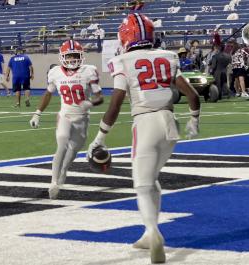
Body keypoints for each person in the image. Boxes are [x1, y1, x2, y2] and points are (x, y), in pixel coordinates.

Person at [86, 13, 200, 264]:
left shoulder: (123, 61)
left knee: (141, 184)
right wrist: (194, 120)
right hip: (171, 125)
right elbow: (193, 96)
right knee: (151, 181)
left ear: (126, 37)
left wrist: (99, 138)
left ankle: (154, 233)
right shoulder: (168, 57)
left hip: (146, 123)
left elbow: (115, 104)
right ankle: (149, 233)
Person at [29, 40, 103, 199]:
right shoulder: (55, 72)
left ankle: (63, 170)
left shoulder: (89, 71)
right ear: (62, 57)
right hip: (65, 115)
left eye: (75, 56)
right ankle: (53, 182)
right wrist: (37, 113)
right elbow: (48, 93)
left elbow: (99, 97)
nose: (72, 60)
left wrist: (88, 103)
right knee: (62, 143)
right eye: (69, 56)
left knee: (73, 150)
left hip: (82, 118)